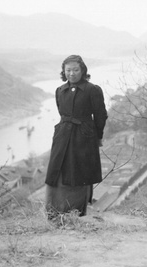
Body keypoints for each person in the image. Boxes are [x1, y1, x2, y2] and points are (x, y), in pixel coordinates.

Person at [45, 55, 108, 217]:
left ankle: (75, 212)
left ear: (83, 70)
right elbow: (62, 113)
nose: (71, 73)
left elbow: (100, 116)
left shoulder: (92, 90)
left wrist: (97, 136)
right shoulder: (60, 91)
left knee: (80, 172)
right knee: (57, 170)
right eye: (68, 70)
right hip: (62, 136)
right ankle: (55, 210)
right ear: (63, 72)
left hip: (83, 137)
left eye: (75, 70)